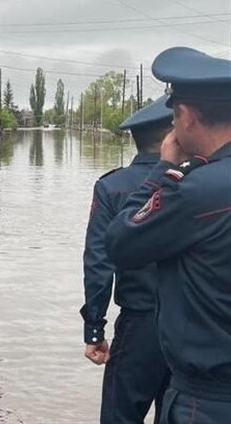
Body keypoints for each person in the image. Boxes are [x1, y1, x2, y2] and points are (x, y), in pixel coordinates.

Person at [106, 46, 231, 423]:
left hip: (208, 401)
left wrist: (162, 169)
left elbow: (121, 242)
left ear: (187, 117)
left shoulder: (197, 191)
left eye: (174, 118)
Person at [80, 95, 172, 424]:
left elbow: (98, 262)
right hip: (193, 327)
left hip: (139, 326)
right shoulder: (199, 183)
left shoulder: (112, 187)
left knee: (120, 416)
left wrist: (94, 328)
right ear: (172, 134)